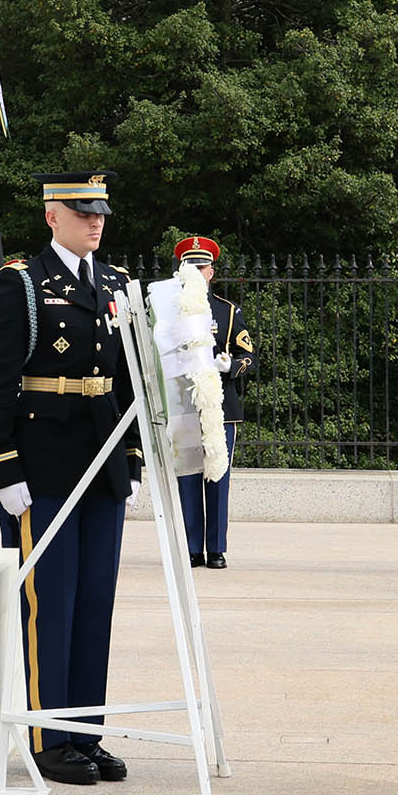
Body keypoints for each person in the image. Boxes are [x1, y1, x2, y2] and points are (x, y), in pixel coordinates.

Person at [0, 173, 142, 784]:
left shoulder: (117, 283)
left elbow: (126, 383)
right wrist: (0, 465)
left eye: (100, 212)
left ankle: (84, 731)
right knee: (50, 602)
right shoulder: (20, 283)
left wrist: (133, 458)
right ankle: (47, 736)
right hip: (41, 465)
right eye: (82, 212)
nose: (95, 221)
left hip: (101, 466)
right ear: (52, 216)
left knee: (95, 598)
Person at [171, 235, 253, 570]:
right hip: (185, 403)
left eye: (201, 267)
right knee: (188, 477)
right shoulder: (170, 312)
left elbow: (248, 355)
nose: (196, 271)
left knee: (218, 477)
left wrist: (230, 367)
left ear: (211, 272)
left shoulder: (227, 311)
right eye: (190, 266)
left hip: (221, 405)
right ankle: (192, 548)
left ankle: (216, 548)